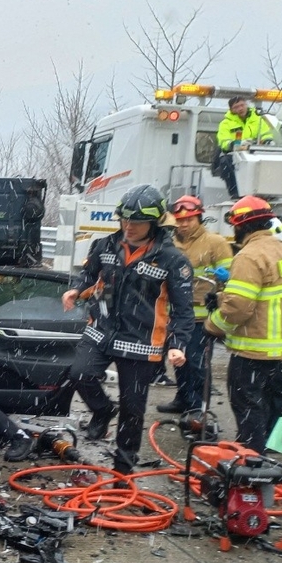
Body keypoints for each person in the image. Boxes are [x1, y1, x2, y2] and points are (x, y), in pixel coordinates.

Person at [62, 184, 194, 474]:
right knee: (79, 374)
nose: (129, 226)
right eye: (124, 219)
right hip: (101, 328)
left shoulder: (173, 260)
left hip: (141, 341)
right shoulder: (105, 245)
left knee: (133, 409)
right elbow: (87, 274)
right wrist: (76, 290)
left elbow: (184, 311)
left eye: (137, 222)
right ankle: (102, 410)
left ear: (155, 222)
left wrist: (177, 344)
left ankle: (124, 469)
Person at [204, 195, 282, 453]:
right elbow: (267, 297)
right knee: (280, 406)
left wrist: (212, 324)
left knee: (249, 406)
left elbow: (238, 309)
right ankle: (275, 461)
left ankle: (251, 460)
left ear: (241, 226)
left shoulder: (249, 256)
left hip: (254, 352)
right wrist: (223, 297)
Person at [156, 195, 233, 413]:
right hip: (175, 314)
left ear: (199, 217)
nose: (184, 224)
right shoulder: (169, 243)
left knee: (197, 362)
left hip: (202, 317)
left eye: (189, 219)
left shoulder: (215, 243)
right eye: (180, 220)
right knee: (179, 359)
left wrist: (224, 283)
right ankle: (183, 398)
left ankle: (198, 406)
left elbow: (232, 278)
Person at [213, 97, 273, 199]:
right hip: (235, 154)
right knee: (225, 162)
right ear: (231, 110)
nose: (240, 108)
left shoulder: (258, 120)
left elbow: (266, 134)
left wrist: (267, 140)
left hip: (256, 153)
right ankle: (236, 194)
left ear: (246, 105)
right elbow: (223, 141)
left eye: (242, 105)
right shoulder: (225, 124)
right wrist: (232, 144)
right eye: (236, 107)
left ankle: (266, 192)